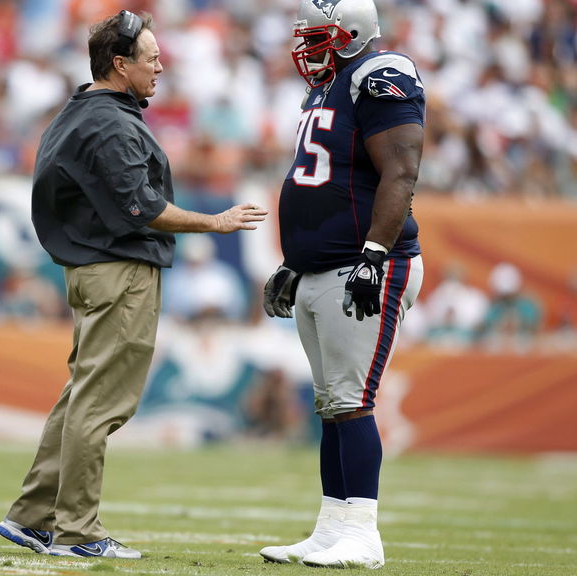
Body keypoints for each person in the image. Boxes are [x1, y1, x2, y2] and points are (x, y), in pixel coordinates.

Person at [0, 10, 267, 560]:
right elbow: (142, 206)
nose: (161, 65)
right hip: (118, 271)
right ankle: (76, 531)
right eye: (150, 57)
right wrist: (214, 222)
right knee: (100, 404)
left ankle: (32, 515)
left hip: (96, 269)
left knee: (82, 398)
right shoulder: (111, 123)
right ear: (120, 65)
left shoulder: (84, 110)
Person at [260, 0, 425, 569]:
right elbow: (325, 179)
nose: (308, 45)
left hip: (363, 264)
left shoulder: (382, 74)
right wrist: (296, 259)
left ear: (352, 33)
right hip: (322, 266)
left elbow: (401, 171)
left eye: (320, 34)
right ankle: (331, 527)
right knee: (332, 405)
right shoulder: (329, 86)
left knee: (353, 402)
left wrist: (374, 256)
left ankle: (362, 531)